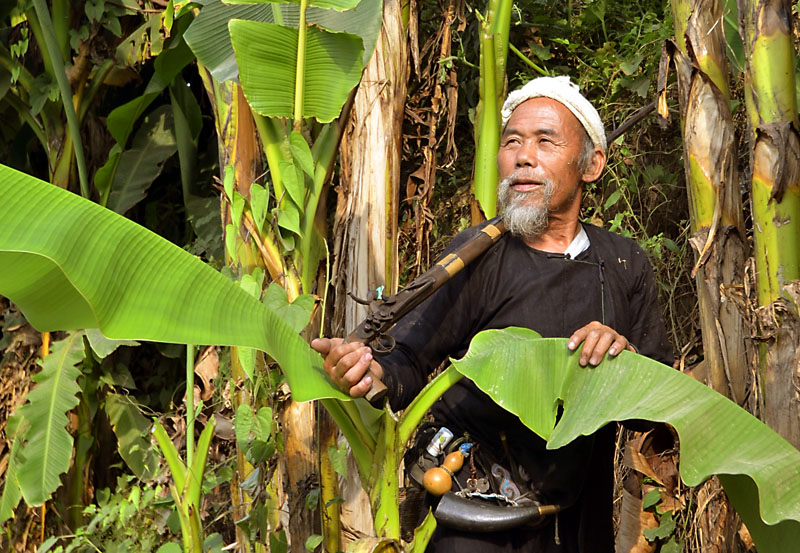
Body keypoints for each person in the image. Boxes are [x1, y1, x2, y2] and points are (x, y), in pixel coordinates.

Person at [312, 76, 674, 553]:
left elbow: (663, 408)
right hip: (477, 515)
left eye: (546, 141)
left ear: (591, 165)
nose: (524, 156)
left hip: (578, 522)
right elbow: (406, 358)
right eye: (512, 142)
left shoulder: (623, 262)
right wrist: (366, 369)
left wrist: (623, 360)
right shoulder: (477, 254)